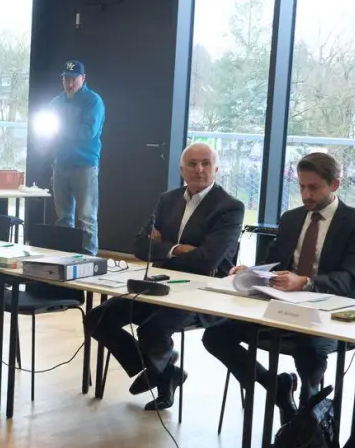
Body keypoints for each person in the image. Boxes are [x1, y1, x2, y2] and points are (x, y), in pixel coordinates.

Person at [202, 153, 355, 427]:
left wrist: (306, 281)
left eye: (314, 188)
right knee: (215, 336)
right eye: (302, 187)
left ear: (335, 185)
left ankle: (306, 421)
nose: (306, 194)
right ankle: (275, 386)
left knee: (308, 349)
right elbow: (274, 263)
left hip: (336, 316)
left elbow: (353, 278)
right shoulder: (292, 218)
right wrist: (251, 272)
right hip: (286, 309)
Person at [84, 143, 244, 411]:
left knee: (153, 329)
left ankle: (160, 368)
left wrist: (163, 246)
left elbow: (208, 260)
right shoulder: (167, 199)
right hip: (159, 284)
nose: (199, 169)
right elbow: (138, 246)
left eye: (206, 163)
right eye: (192, 164)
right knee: (96, 318)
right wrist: (179, 248)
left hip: (202, 294)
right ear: (182, 169)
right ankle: (160, 368)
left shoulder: (229, 207)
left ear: (216, 169)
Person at [48, 59, 105, 254]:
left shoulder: (93, 101)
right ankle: (63, 257)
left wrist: (61, 130)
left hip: (85, 165)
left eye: (73, 79)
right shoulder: (56, 102)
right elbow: (47, 130)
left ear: (83, 78)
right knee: (63, 218)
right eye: (66, 79)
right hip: (61, 163)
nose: (69, 84)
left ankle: (89, 260)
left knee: (87, 218)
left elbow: (87, 131)